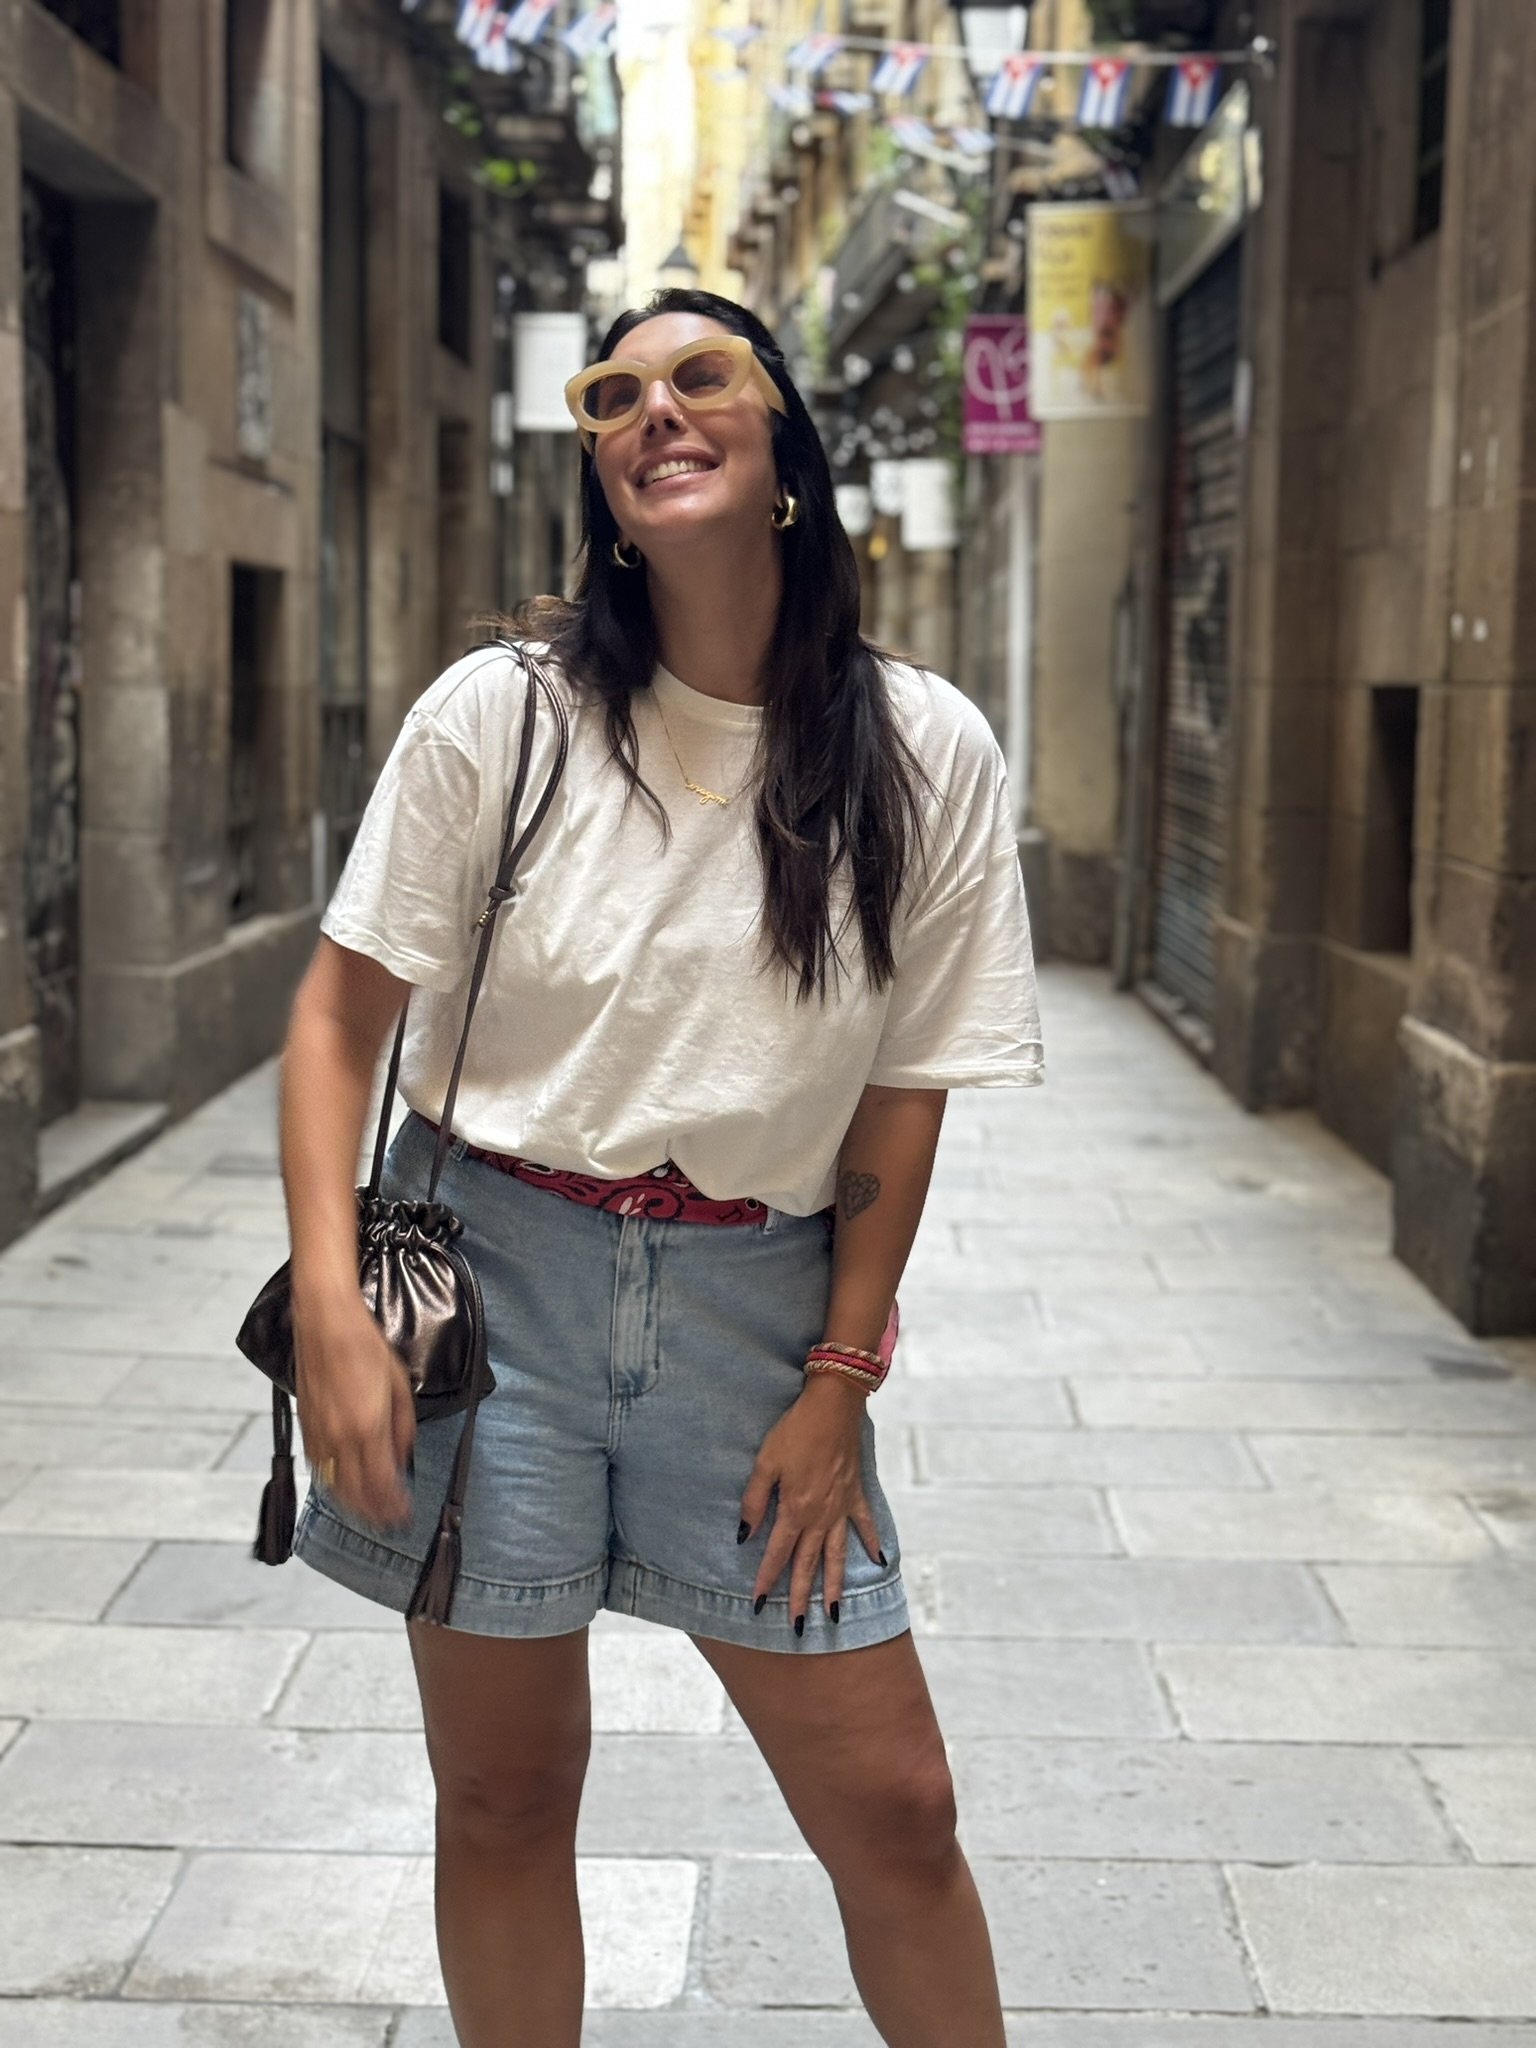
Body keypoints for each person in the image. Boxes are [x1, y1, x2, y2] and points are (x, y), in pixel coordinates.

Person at [278, 286, 1043, 2048]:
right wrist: (332, 1301)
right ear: (600, 474)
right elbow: (336, 1024)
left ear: (784, 445)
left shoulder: (923, 747)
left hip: (754, 1319)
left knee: (900, 1817)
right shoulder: (505, 716)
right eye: (614, 395)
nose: (656, 413)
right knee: (506, 1798)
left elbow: (906, 1096)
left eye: (703, 379)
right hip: (495, 1297)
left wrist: (840, 1372)